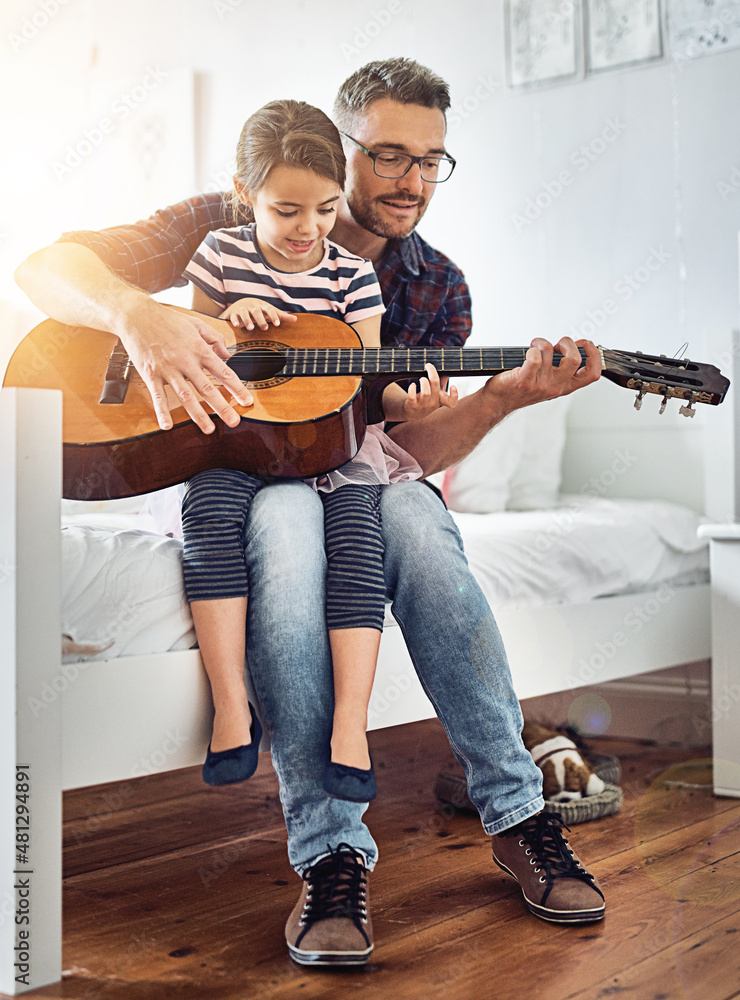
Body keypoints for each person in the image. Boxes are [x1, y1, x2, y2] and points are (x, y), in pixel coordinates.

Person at [15, 57, 605, 967]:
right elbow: (47, 268)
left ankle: (520, 814)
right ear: (339, 151)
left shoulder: (433, 286)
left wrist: (503, 400)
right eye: (389, 154)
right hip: (250, 475)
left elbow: (417, 450)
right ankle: (330, 851)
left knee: (419, 526)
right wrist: (140, 314)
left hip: (368, 480)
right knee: (283, 534)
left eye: (432, 161)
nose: (411, 181)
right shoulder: (232, 219)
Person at [178, 98, 456, 800]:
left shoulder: (350, 278)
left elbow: (364, 387)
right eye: (287, 211)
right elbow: (194, 357)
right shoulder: (219, 255)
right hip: (234, 445)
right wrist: (229, 325)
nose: (309, 230)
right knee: (207, 517)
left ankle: (351, 728)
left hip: (335, 454)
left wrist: (408, 402)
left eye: (327, 210)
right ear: (247, 197)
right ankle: (232, 709)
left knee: (358, 548)